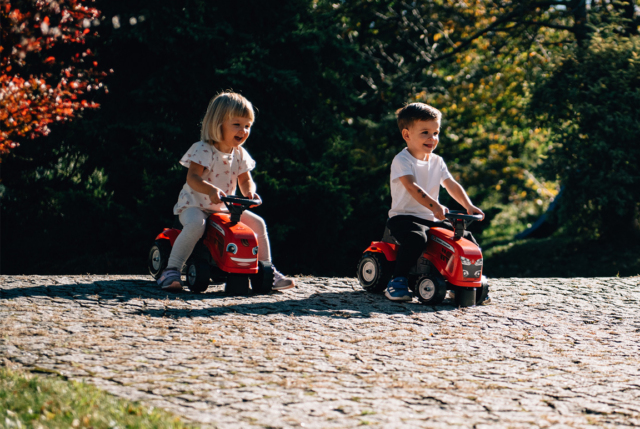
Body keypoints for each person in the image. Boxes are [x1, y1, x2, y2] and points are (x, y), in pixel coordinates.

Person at [157, 92, 295, 292]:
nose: (243, 130)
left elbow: (246, 180)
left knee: (258, 224)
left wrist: (249, 193)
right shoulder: (204, 149)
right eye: (237, 124)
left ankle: (267, 270)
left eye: (247, 125)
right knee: (196, 225)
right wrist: (210, 189)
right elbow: (192, 178)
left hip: (224, 208)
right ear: (218, 123)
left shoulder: (239, 154)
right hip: (195, 206)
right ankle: (171, 270)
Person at [385, 102, 484, 301]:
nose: (433, 138)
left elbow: (451, 184)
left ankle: (465, 279)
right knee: (416, 238)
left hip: (432, 219)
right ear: (407, 135)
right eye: (425, 133)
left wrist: (468, 205)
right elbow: (413, 188)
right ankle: (398, 280)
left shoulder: (437, 161)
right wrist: (435, 206)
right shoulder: (402, 160)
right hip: (404, 218)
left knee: (464, 237)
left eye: (436, 133)